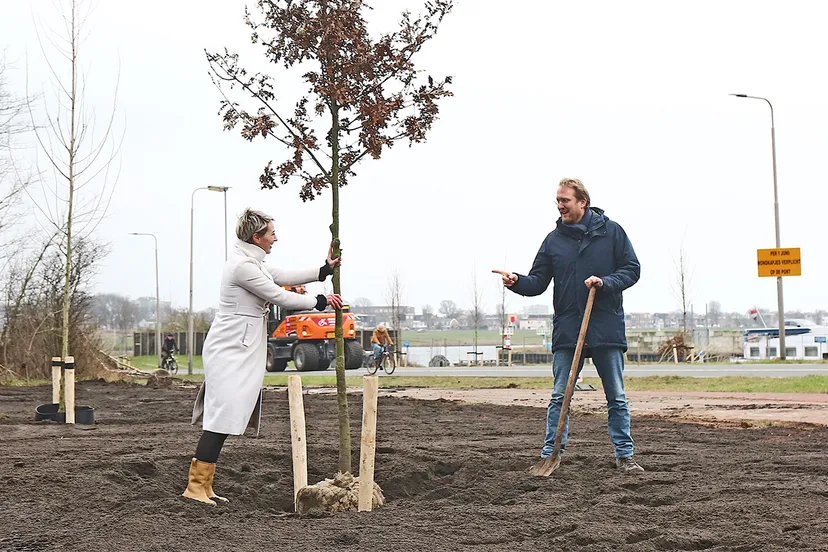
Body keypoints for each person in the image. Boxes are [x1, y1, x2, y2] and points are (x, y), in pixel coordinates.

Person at [182, 208, 343, 505]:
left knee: (225, 416)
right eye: (271, 233)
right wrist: (319, 301)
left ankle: (204, 486)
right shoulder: (242, 267)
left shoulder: (252, 262)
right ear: (256, 237)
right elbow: (278, 294)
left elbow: (281, 276)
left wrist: (323, 270)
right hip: (230, 347)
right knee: (220, 417)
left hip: (240, 345)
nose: (275, 238)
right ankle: (195, 487)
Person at [493, 178, 644, 474]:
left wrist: (605, 282)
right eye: (558, 201)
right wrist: (516, 282)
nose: (560, 206)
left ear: (582, 203)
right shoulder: (554, 240)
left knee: (616, 395)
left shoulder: (611, 233)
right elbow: (538, 281)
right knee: (560, 395)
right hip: (568, 329)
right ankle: (551, 452)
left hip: (605, 326)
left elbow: (632, 269)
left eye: (565, 201)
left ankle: (624, 456)